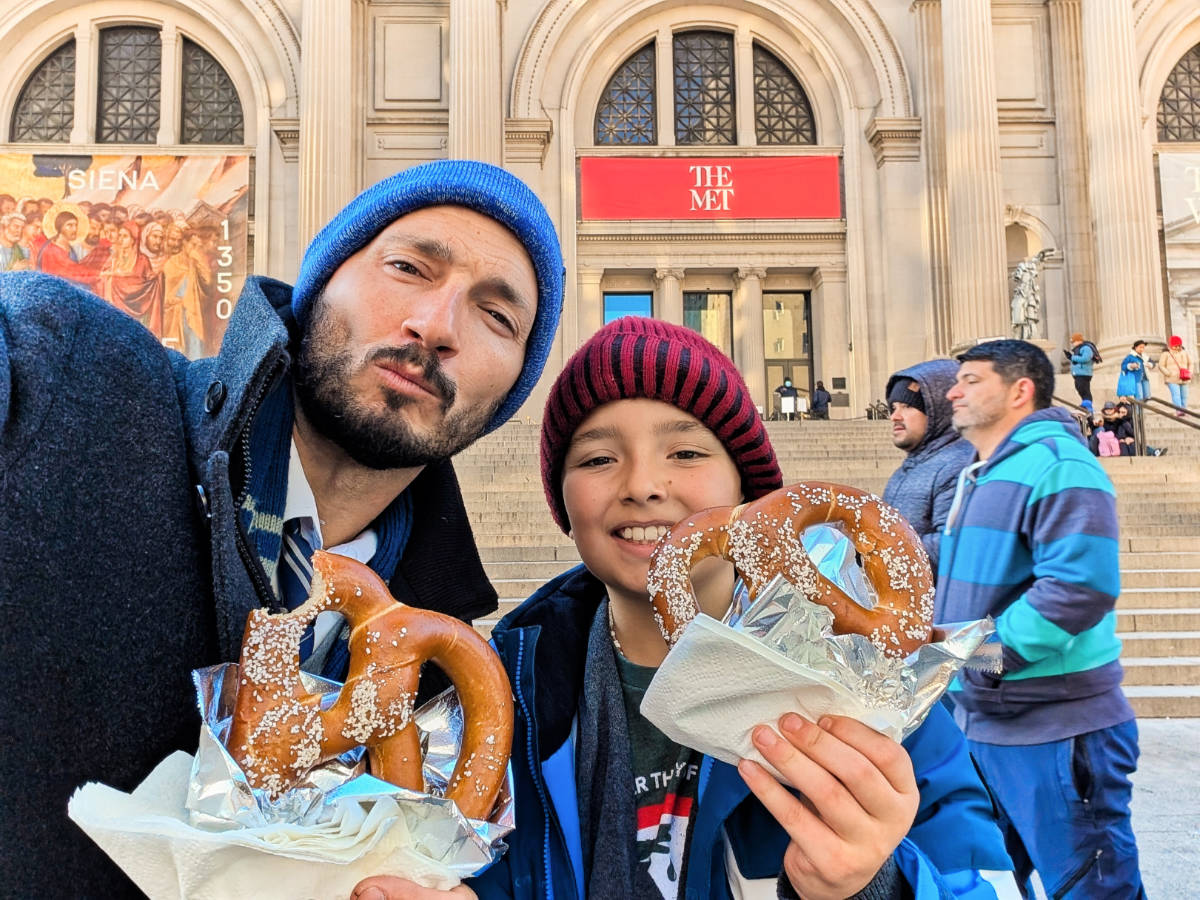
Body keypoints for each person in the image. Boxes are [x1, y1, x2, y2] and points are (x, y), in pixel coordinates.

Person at [0, 159, 564, 895]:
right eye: (407, 267)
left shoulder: (431, 683)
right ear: (322, 282)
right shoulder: (61, 370)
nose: (435, 325)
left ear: (511, 391)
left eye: (497, 316)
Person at [359, 317, 1017, 900]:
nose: (643, 485)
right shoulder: (505, 690)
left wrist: (872, 885)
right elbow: (483, 864)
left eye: (687, 453)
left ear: (747, 491)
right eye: (597, 458)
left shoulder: (873, 694)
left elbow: (978, 876)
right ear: (564, 502)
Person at [938, 339, 1145, 899]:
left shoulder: (1059, 463)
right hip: (989, 724)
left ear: (1019, 390)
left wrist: (980, 662)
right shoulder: (978, 472)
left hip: (1057, 728)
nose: (953, 391)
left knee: (1090, 888)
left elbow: (1080, 588)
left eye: (972, 380)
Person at [882, 359, 974, 570]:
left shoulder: (957, 465)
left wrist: (883, 551)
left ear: (937, 411)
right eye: (893, 407)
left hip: (939, 600)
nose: (895, 416)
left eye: (907, 406)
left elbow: (954, 546)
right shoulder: (908, 469)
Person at [1158, 335, 1192, 414]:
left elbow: (1190, 363)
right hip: (1172, 379)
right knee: (1176, 395)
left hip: (1184, 378)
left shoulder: (1184, 353)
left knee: (1184, 395)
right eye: (1175, 346)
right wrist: (1168, 373)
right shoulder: (1166, 354)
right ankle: (1179, 411)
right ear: (1171, 345)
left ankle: (1184, 410)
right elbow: (1161, 365)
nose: (1177, 347)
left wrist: (1189, 371)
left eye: (1179, 345)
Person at [1063, 332, 1095, 408]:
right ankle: (1085, 403)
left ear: (1079, 340)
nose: (1073, 344)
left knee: (1084, 389)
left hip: (1084, 373)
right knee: (1080, 388)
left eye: (1074, 342)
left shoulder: (1086, 348)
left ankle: (1088, 406)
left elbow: (1086, 358)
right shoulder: (1078, 349)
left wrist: (1072, 357)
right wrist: (1070, 357)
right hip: (1078, 374)